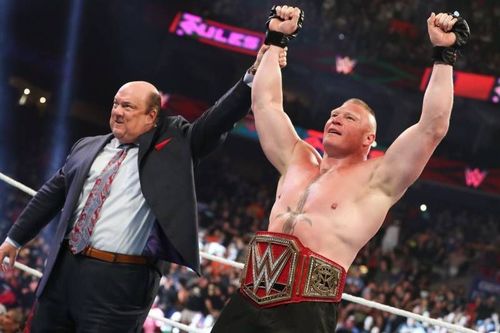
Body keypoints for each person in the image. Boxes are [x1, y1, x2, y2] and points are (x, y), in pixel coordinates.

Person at [212, 5, 470, 333]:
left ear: (369, 139)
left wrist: (444, 55)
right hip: (249, 295)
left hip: (306, 310)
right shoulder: (297, 159)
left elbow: (432, 127)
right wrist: (277, 37)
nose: (336, 117)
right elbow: (266, 104)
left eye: (349, 117)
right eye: (334, 113)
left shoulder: (377, 179)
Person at [0, 44, 287, 331]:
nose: (118, 112)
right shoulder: (86, 147)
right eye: (116, 103)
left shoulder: (174, 146)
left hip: (119, 283)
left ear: (152, 116)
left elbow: (216, 121)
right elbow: (51, 194)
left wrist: (252, 76)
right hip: (61, 272)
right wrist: (14, 240)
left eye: (128, 106)